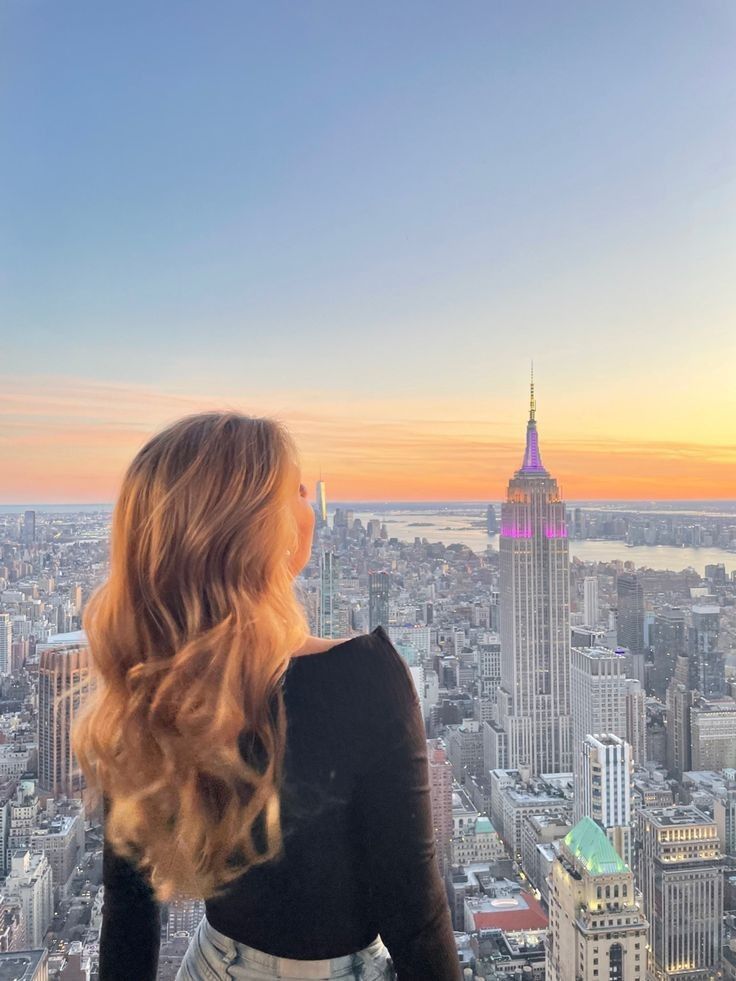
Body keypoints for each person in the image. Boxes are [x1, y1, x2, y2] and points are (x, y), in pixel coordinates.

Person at [71, 412, 461, 981]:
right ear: (256, 531)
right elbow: (417, 921)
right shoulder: (365, 679)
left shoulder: (148, 687)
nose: (311, 504)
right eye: (297, 490)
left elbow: (129, 912)